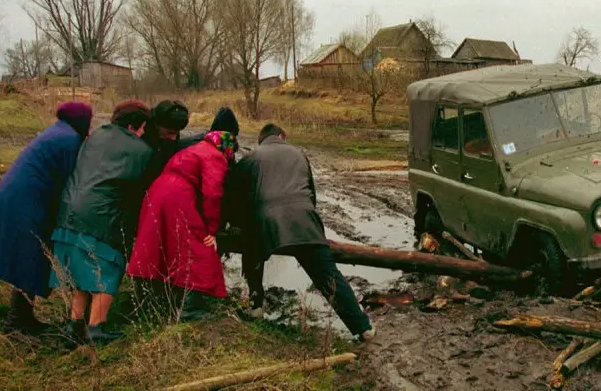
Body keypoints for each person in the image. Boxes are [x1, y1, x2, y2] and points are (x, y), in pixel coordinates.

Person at [224, 123, 375, 341]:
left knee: (253, 258)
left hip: (264, 222)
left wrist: (238, 225)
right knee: (327, 275)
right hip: (304, 219)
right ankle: (362, 328)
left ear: (261, 140)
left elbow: (235, 199)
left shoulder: (251, 158)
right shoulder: (299, 154)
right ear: (282, 136)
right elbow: (310, 193)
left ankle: (256, 306)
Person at [0, 102, 93, 335]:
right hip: (26, 201)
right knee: (29, 257)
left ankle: (22, 316)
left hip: (14, 195)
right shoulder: (69, 140)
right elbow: (69, 181)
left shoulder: (57, 131)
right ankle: (17, 321)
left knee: (27, 257)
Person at [49, 100, 153, 344]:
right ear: (133, 126)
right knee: (108, 268)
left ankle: (74, 325)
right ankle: (96, 328)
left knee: (79, 270)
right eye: (143, 128)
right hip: (100, 215)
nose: (143, 133)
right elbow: (140, 186)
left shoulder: (95, 136)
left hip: (69, 208)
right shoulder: (141, 150)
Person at [127, 108, 239, 321]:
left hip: (157, 193)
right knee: (200, 248)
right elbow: (213, 194)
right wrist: (212, 230)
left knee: (157, 246)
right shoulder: (215, 156)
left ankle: (149, 304)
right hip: (177, 197)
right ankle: (191, 310)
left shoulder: (197, 147)